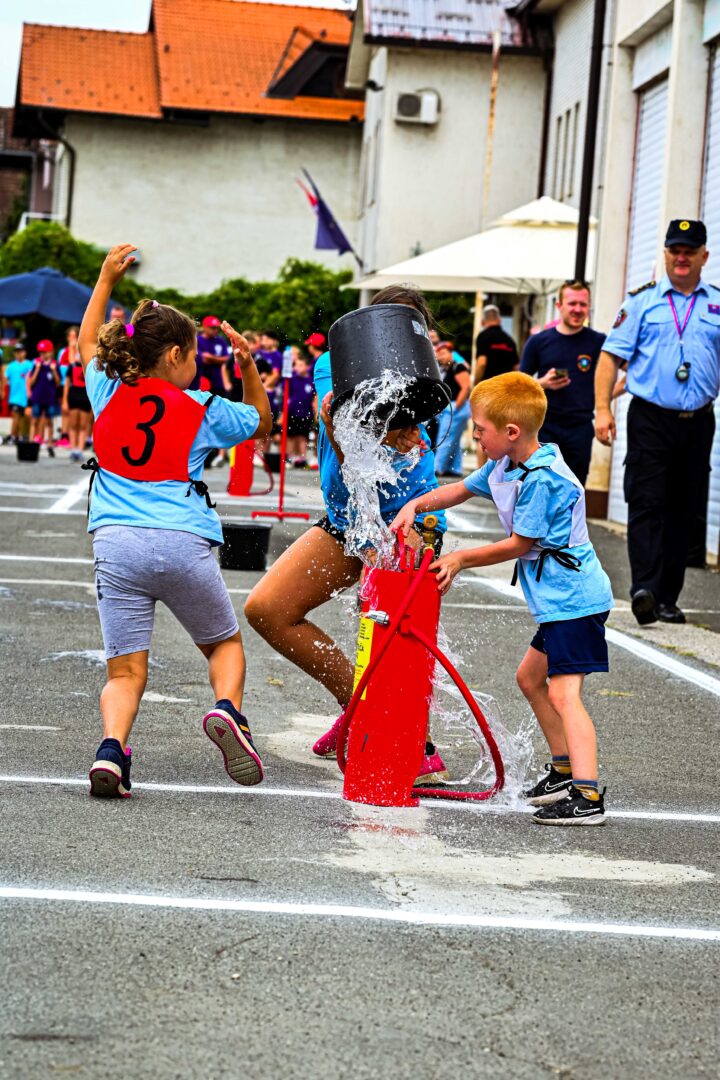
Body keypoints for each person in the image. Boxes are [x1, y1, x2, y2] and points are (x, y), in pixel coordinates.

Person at [77, 243, 272, 799]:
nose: (198, 366)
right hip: (183, 540)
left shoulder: (107, 389)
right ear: (175, 355)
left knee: (124, 672)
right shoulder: (204, 407)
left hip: (116, 543)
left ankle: (112, 750)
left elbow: (88, 341)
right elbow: (261, 422)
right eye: (195, 357)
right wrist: (247, 367)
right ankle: (228, 711)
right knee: (223, 645)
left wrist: (105, 280)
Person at [244, 285, 450, 784]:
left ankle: (417, 747)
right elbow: (344, 433)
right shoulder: (333, 364)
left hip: (408, 523)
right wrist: (343, 423)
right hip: (347, 518)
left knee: (387, 635)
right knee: (268, 610)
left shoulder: (423, 379)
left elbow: (405, 448)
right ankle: (358, 705)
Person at [392, 371, 613, 825]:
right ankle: (563, 772)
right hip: (560, 603)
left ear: (511, 432)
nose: (475, 437)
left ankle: (587, 796)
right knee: (530, 679)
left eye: (480, 430)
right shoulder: (505, 464)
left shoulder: (542, 480)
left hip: (576, 601)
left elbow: (519, 544)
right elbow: (458, 490)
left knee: (565, 693)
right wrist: (415, 505)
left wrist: (458, 559)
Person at [595, 218, 720, 626]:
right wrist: (602, 409)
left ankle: (668, 598)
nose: (681, 258)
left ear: (704, 256)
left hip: (698, 421)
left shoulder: (716, 304)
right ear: (665, 254)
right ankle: (644, 590)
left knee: (685, 508)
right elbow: (610, 358)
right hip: (650, 418)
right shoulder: (641, 302)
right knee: (646, 500)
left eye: (689, 251)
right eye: (675, 250)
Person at [520, 281, 605, 487]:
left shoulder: (598, 341)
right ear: (559, 306)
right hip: (544, 427)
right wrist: (543, 383)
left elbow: (629, 372)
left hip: (580, 428)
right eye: (572, 303)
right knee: (540, 485)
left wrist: (606, 396)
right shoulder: (539, 342)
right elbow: (519, 386)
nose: (578, 309)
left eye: (583, 304)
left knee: (574, 488)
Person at [433, 341, 471, 477]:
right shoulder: (445, 369)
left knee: (445, 438)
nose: (441, 357)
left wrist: (455, 407)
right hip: (451, 407)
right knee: (454, 440)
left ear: (451, 354)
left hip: (455, 407)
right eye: (439, 354)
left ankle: (437, 468)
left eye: (443, 353)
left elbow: (465, 387)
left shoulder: (458, 367)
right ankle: (455, 468)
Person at [61, 329, 93, 462]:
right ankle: (73, 448)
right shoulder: (72, 366)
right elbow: (66, 385)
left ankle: (80, 449)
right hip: (74, 396)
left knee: (83, 425)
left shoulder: (89, 367)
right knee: (73, 424)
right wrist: (64, 401)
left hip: (85, 397)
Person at [27, 339, 61, 457]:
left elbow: (58, 383)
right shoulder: (36, 364)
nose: (42, 355)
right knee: (34, 420)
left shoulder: (55, 364)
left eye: (45, 352)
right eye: (40, 352)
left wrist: (54, 370)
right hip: (37, 396)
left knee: (49, 421)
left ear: (50, 352)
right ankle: (31, 444)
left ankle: (50, 444)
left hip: (50, 398)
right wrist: (37, 369)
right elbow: (31, 382)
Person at [474, 305, 519, 383]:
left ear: (482, 322)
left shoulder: (483, 336)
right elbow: (516, 367)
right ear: (500, 320)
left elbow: (482, 363)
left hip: (489, 385)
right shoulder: (509, 340)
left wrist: (476, 383)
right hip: (506, 386)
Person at [286, 350, 315, 466]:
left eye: (300, 365)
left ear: (307, 367)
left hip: (306, 413)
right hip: (292, 412)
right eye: (296, 365)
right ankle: (290, 457)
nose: (297, 368)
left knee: (303, 436)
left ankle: (302, 458)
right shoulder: (291, 379)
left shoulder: (310, 381)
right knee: (291, 436)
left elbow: (314, 397)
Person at [3, 344, 33, 444]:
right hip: (14, 397)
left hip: (26, 397)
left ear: (25, 352)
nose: (19, 354)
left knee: (26, 418)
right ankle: (13, 436)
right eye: (17, 352)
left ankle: (23, 435)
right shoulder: (11, 366)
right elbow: (5, 379)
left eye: (21, 351)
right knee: (16, 416)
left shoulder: (29, 365)